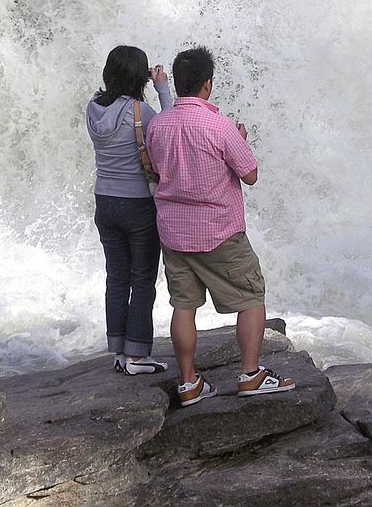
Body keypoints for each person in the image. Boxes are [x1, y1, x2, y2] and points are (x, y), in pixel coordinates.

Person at [146, 46, 294, 406]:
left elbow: (154, 169)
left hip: (175, 233)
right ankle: (250, 374)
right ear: (208, 85)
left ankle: (189, 382)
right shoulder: (220, 126)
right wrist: (239, 141)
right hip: (219, 231)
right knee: (251, 296)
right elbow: (251, 174)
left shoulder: (158, 125)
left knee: (183, 305)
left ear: (178, 84)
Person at [86, 45, 171, 375]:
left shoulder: (93, 108)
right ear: (141, 76)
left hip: (104, 202)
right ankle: (137, 355)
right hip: (137, 205)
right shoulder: (141, 112)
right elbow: (173, 126)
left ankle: (119, 351)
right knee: (143, 280)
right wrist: (162, 87)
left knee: (117, 277)